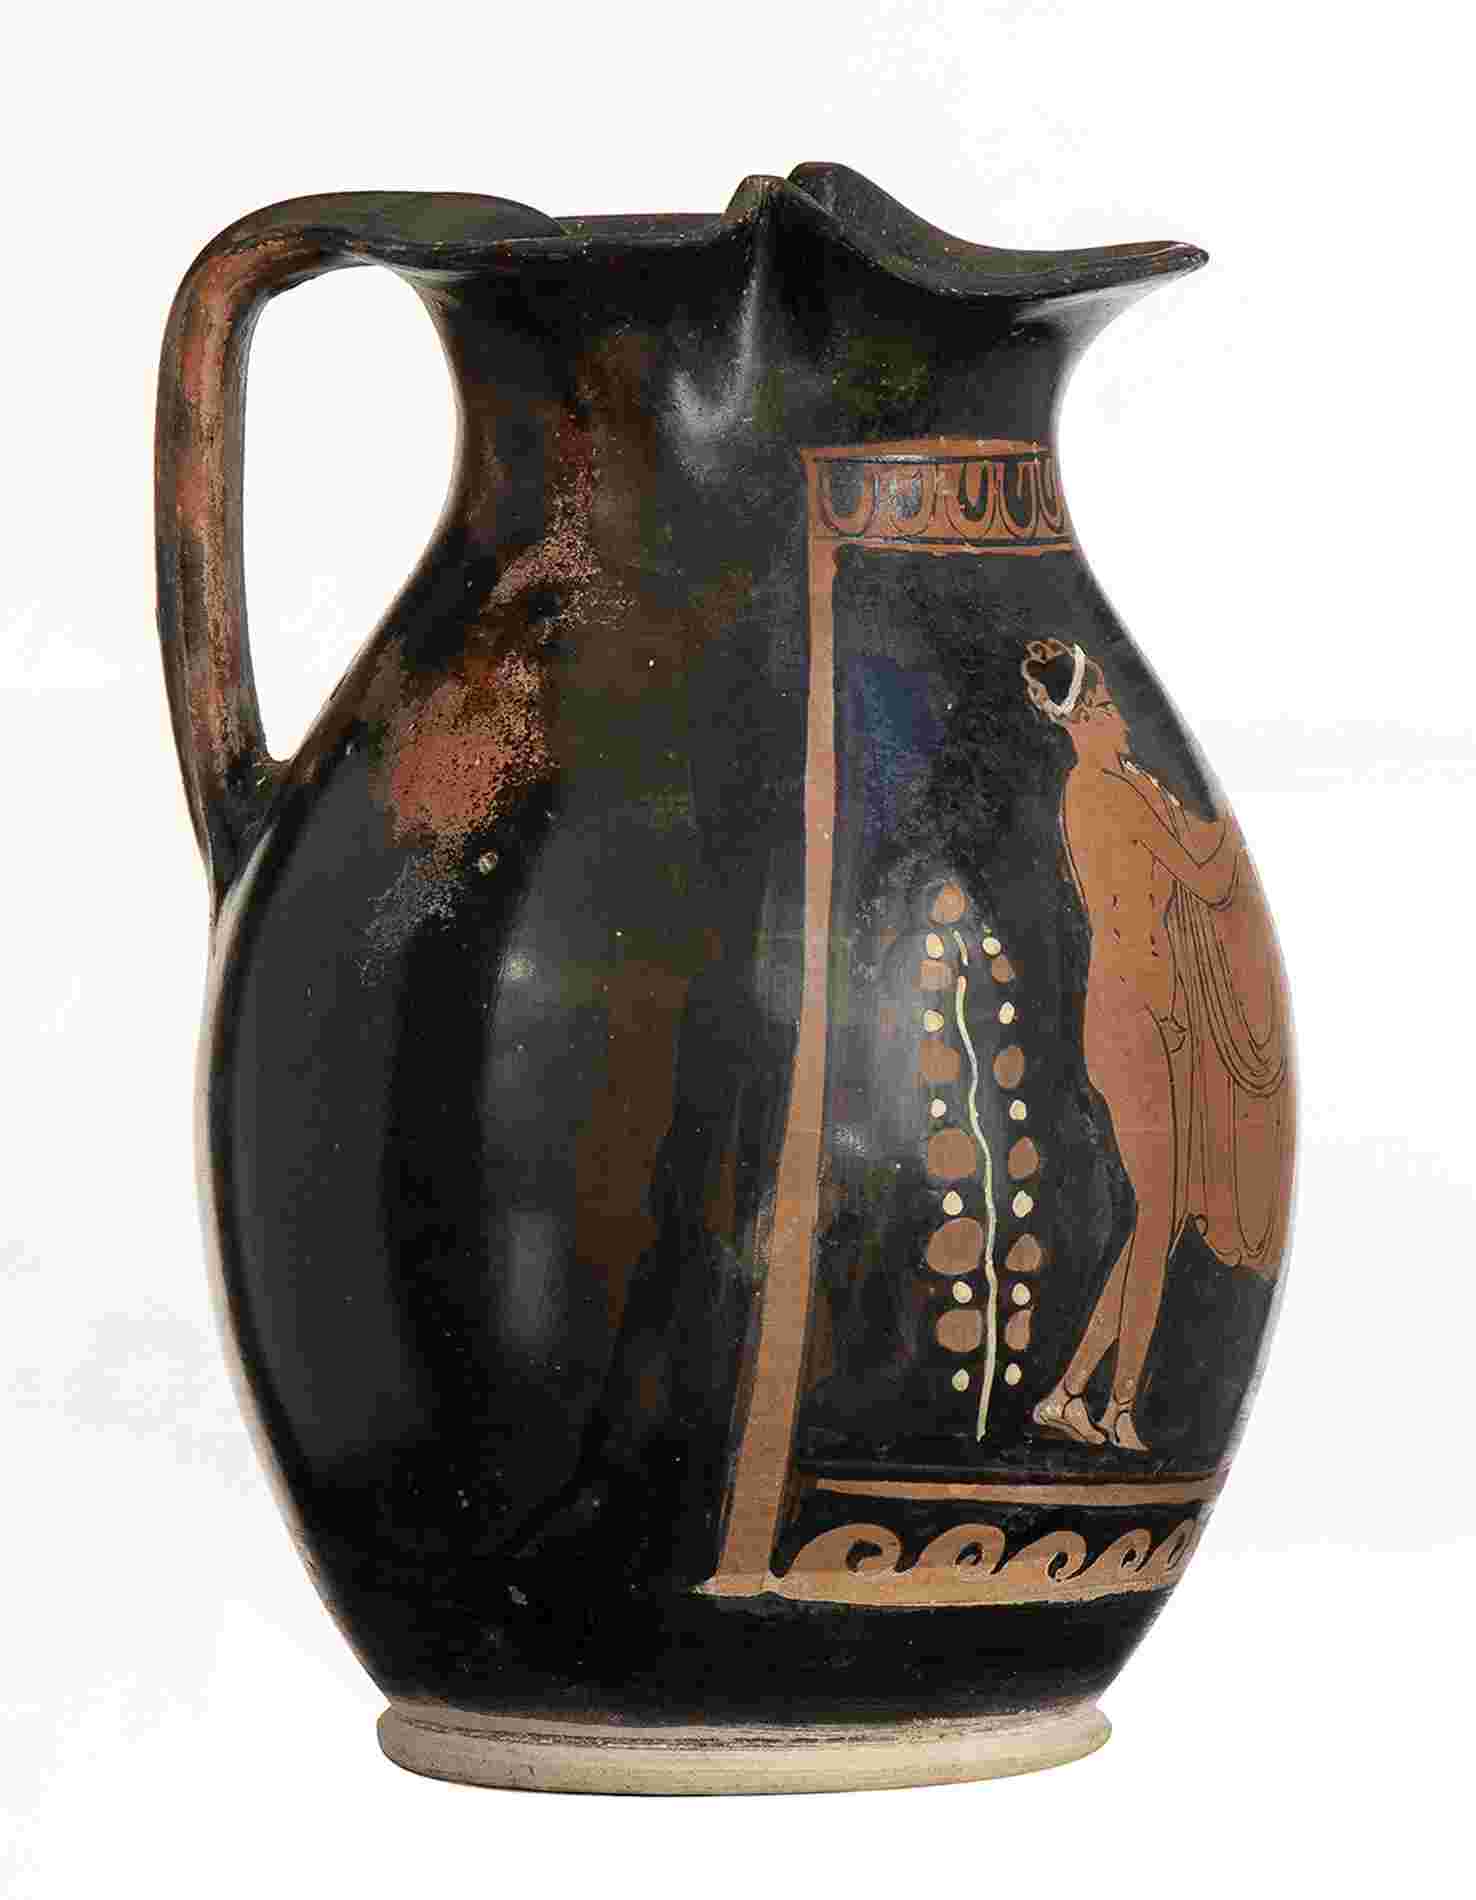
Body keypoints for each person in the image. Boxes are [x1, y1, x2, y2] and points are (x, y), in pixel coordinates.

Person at [1021, 638, 1283, 1454]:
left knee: (1155, 1227)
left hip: (1139, 1010)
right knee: (1157, 1216)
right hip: (1132, 1015)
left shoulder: (1117, 786)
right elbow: (1206, 880)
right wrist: (1227, 825)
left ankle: (1072, 1395)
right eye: (1105, 708)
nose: (1122, 720)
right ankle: (1119, 1410)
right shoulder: (1102, 792)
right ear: (1080, 722)